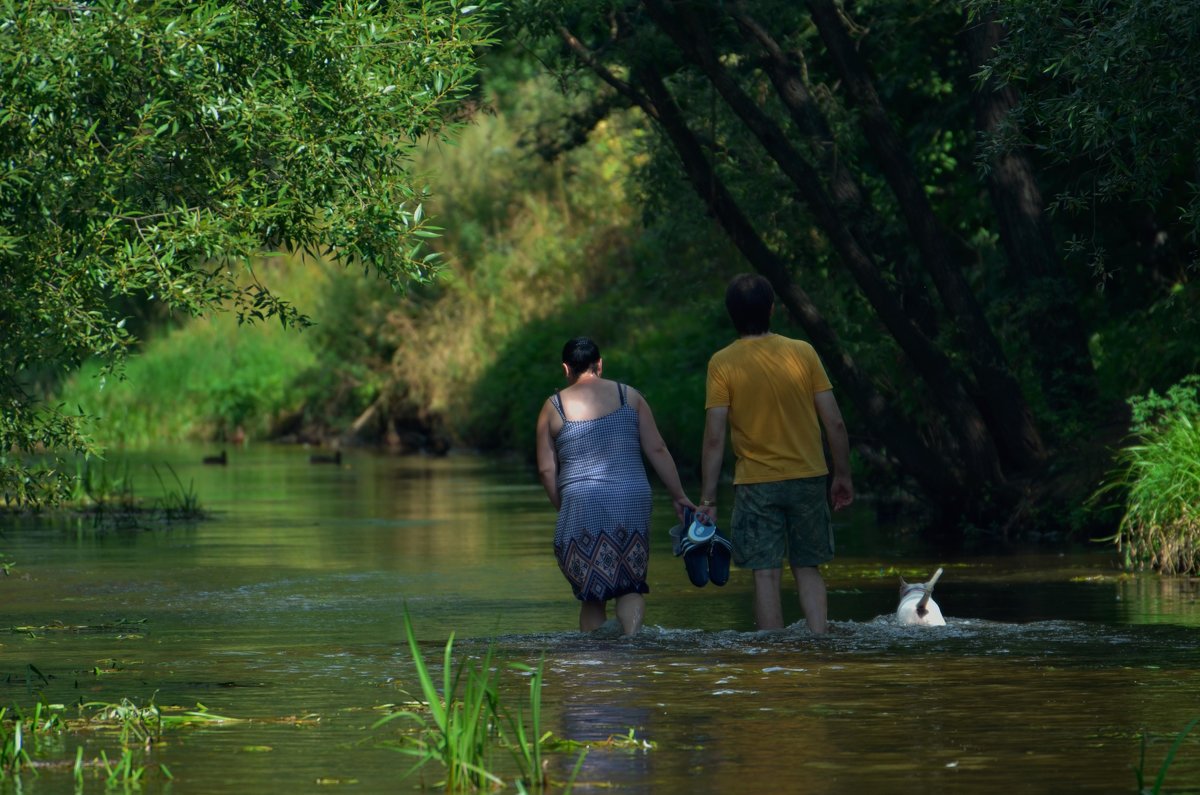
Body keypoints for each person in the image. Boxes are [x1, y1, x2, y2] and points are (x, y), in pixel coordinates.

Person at [698, 274, 853, 634]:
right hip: (809, 476)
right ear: (772, 309)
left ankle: (772, 657)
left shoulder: (722, 363)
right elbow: (835, 423)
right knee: (808, 567)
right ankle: (819, 641)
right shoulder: (803, 352)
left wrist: (707, 498)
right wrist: (842, 475)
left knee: (765, 574)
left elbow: (714, 438)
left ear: (731, 315)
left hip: (756, 484)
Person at [536, 337, 694, 635]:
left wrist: (565, 505)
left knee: (593, 597)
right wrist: (679, 496)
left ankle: (596, 665)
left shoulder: (552, 407)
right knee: (630, 586)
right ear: (600, 364)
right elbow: (657, 449)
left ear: (566, 368)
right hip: (630, 501)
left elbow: (546, 469)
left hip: (581, 502)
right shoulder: (629, 396)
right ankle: (632, 643)